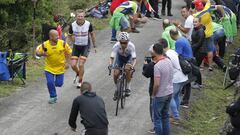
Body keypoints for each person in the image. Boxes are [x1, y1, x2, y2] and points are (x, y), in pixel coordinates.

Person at [36, 29, 72, 104]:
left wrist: (68, 63)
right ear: (50, 37)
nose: (58, 37)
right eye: (56, 36)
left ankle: (53, 84)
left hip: (60, 67)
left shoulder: (63, 43)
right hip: (49, 67)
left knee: (59, 84)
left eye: (58, 35)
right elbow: (37, 53)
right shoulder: (45, 45)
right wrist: (43, 54)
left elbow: (69, 53)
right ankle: (53, 96)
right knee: (49, 82)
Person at [68, 9, 97, 88]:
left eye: (81, 16)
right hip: (76, 46)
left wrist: (94, 46)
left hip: (85, 46)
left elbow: (92, 35)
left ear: (84, 16)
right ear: (76, 17)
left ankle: (80, 81)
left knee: (81, 64)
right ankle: (78, 73)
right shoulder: (72, 25)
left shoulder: (88, 24)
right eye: (78, 16)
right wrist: (71, 41)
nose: (80, 18)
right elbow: (69, 35)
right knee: (73, 65)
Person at [162, 38, 188, 124]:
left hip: (176, 78)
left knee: (170, 97)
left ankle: (176, 116)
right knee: (176, 96)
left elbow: (168, 68)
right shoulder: (172, 51)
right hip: (183, 77)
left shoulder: (167, 55)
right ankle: (174, 114)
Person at [152, 42, 173, 135]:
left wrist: (153, 94)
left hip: (160, 95)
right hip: (169, 92)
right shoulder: (168, 61)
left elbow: (156, 84)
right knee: (165, 116)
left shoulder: (157, 66)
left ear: (155, 52)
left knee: (157, 119)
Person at [109, 32, 136, 100]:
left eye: (125, 43)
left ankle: (128, 87)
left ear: (128, 41)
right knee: (115, 73)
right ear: (119, 42)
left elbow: (134, 59)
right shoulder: (116, 46)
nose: (123, 44)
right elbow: (111, 57)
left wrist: (132, 66)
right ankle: (117, 89)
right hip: (120, 57)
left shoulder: (131, 46)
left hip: (129, 58)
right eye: (121, 42)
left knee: (127, 69)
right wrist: (110, 65)